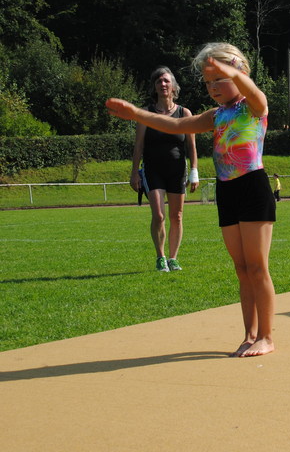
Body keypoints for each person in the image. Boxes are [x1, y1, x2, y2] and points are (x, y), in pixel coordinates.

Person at [108, 43, 276, 358]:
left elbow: (252, 91)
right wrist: (136, 114)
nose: (213, 87)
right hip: (227, 190)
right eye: (208, 82)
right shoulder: (217, 115)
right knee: (241, 268)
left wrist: (229, 71)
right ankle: (250, 334)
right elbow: (177, 124)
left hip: (252, 187)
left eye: (219, 80)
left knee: (257, 267)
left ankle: (266, 336)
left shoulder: (254, 106)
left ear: (240, 73)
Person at [130, 67, 199, 272]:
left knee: (176, 216)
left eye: (167, 81)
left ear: (174, 86)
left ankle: (173, 258)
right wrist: (134, 172)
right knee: (159, 215)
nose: (163, 84)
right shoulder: (146, 114)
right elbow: (138, 146)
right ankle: (160, 257)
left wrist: (194, 171)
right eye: (159, 81)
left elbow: (192, 146)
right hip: (153, 170)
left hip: (177, 170)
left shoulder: (184, 113)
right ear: (154, 87)